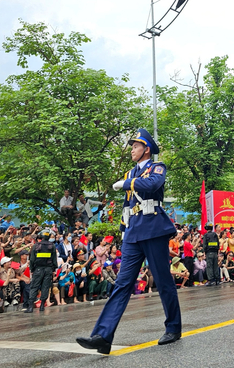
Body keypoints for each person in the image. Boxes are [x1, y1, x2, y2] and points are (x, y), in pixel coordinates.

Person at [77, 128, 182, 354]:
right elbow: (127, 207)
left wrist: (127, 183)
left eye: (135, 146)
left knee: (163, 281)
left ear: (146, 149)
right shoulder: (130, 174)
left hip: (153, 230)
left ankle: (173, 327)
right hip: (133, 233)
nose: (132, 150)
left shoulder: (157, 167)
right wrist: (123, 231)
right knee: (122, 284)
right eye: (132, 146)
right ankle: (103, 336)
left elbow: (152, 185)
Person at [24, 230, 57, 313]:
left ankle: (30, 307)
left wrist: (32, 269)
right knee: (45, 287)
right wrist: (53, 269)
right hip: (48, 269)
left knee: (34, 287)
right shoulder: (52, 246)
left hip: (38, 269)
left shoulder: (36, 246)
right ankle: (42, 305)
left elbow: (32, 259)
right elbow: (54, 259)